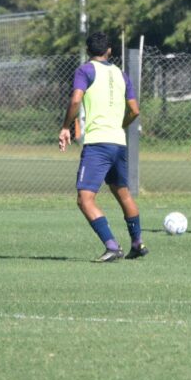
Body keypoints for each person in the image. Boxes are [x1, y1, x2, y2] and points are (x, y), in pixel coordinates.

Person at [58, 31, 145, 263]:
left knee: (85, 199)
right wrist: (121, 125)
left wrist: (66, 127)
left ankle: (112, 246)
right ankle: (137, 243)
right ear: (109, 51)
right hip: (118, 142)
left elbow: (76, 100)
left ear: (88, 51)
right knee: (123, 194)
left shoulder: (85, 70)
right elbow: (135, 110)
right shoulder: (121, 74)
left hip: (98, 144)